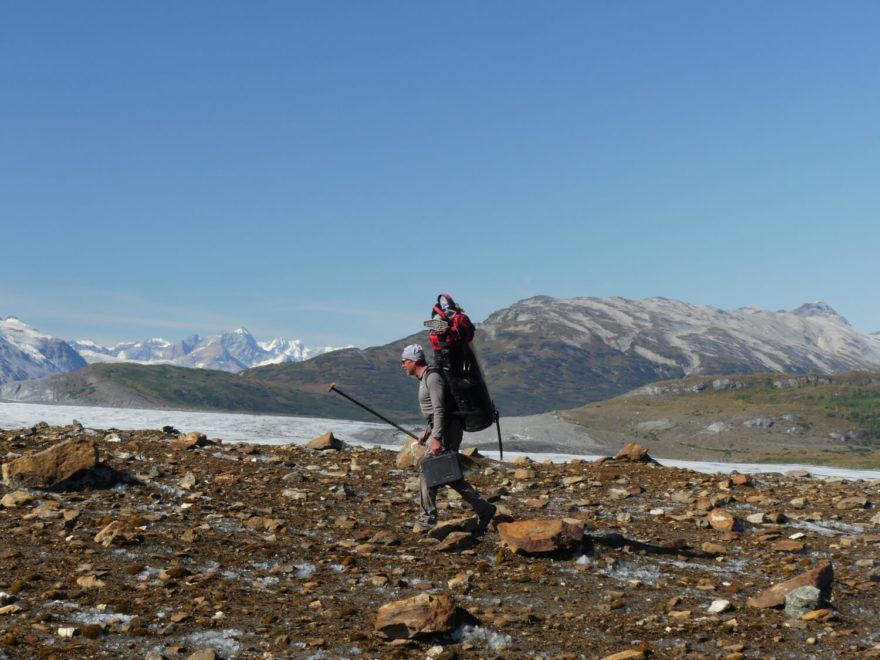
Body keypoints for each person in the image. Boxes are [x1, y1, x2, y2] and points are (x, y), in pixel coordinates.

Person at [400, 343, 496, 535]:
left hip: (446, 431)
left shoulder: (433, 377)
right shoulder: (425, 378)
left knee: (428, 471)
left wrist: (436, 438)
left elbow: (440, 409)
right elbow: (434, 413)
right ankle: (484, 509)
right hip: (442, 429)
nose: (402, 365)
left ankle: (427, 518)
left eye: (404, 362)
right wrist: (428, 432)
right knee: (449, 474)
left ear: (413, 361)